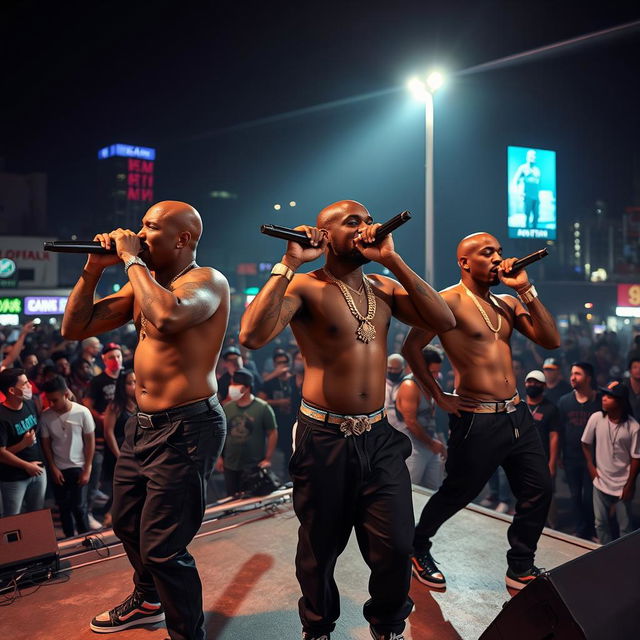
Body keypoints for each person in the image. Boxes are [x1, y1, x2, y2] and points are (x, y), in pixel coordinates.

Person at [239, 199, 455, 640]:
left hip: (378, 436)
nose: (366, 228)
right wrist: (288, 263)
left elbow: (444, 319)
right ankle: (318, 627)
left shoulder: (382, 286)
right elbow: (251, 335)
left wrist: (393, 258)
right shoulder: (304, 286)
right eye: (352, 222)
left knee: (396, 545)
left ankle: (388, 626)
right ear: (325, 234)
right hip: (324, 437)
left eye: (369, 221)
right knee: (320, 549)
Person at [61, 200, 229, 640]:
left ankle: (187, 634)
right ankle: (149, 599)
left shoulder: (207, 281)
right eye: (140, 226)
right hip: (143, 426)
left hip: (187, 427)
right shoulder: (144, 285)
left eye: (149, 228)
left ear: (183, 239)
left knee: (164, 548)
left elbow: (168, 315)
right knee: (125, 523)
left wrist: (132, 259)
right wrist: (94, 270)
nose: (136, 233)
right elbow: (74, 329)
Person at [403, 232, 560, 591]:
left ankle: (520, 566)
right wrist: (439, 395)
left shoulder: (508, 302)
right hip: (478, 418)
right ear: (464, 262)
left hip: (517, 414)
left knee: (539, 489)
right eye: (487, 252)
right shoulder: (447, 302)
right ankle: (417, 547)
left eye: (499, 252)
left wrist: (526, 289)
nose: (497, 258)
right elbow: (412, 347)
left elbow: (551, 340)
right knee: (458, 493)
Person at [581, 380, 640, 544]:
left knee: (625, 527)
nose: (604, 398)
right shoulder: (597, 418)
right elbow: (585, 443)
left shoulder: (633, 427)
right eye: (604, 394)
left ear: (620, 401)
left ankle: (625, 558)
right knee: (600, 523)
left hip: (622, 483)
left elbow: (636, 458)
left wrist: (630, 484)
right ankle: (605, 555)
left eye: (610, 396)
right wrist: (591, 466)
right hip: (601, 480)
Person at [39, 375, 95, 538]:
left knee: (79, 507)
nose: (51, 404)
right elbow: (46, 444)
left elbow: (90, 441)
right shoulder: (46, 415)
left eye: (55, 400)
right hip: (59, 467)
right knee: (63, 507)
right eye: (49, 400)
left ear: (66, 394)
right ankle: (69, 538)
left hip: (79, 465)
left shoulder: (82, 412)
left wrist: (88, 468)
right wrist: (53, 467)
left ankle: (86, 538)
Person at [556, 362, 601, 539]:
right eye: (572, 374)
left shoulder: (599, 401)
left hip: (594, 458)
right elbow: (558, 430)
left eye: (578, 374)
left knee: (589, 497)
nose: (573, 377)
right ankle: (580, 528)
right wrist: (559, 453)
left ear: (588, 378)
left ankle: (592, 528)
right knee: (575, 495)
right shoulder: (565, 401)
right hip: (571, 457)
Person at [217, 368, 277, 496]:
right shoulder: (227, 408)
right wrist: (219, 458)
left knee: (253, 500)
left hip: (254, 465)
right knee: (232, 500)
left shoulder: (263, 408)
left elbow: (272, 432)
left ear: (246, 387)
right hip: (231, 464)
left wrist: (268, 458)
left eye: (234, 384)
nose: (231, 387)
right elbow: (221, 434)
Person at [394, 346, 446, 489]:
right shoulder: (410, 386)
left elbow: (433, 418)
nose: (436, 376)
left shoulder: (433, 385)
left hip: (430, 444)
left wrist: (440, 443)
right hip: (412, 446)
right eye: (432, 372)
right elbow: (410, 422)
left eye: (438, 372)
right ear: (421, 368)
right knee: (409, 489)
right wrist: (432, 443)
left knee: (432, 490)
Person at [82, 341, 123, 517]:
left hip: (123, 435)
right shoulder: (98, 381)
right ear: (104, 359)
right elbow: (87, 405)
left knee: (121, 478)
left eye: (118, 356)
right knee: (97, 476)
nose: (116, 360)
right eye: (111, 357)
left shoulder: (127, 377)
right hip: (100, 437)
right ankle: (89, 513)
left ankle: (111, 511)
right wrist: (100, 418)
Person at [0, 368, 46, 515]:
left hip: (38, 470)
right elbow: (1, 454)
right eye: (25, 384)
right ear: (12, 390)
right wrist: (26, 463)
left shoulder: (29, 404)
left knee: (36, 515)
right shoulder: (2, 417)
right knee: (12, 519)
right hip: (14, 478)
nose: (29, 386)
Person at [524, 370, 561, 527]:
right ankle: (529, 521)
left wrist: (552, 462)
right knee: (525, 491)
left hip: (543, 457)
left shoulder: (550, 408)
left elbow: (554, 436)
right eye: (530, 382)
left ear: (544, 386)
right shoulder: (520, 406)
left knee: (547, 493)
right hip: (523, 458)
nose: (532, 385)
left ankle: (552, 525)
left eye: (536, 382)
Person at [258, 350, 297, 467]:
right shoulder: (271, 382)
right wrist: (280, 402)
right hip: (277, 420)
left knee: (292, 451)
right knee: (278, 452)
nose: (282, 365)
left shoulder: (294, 380)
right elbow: (260, 400)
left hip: (293, 420)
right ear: (274, 364)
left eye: (285, 362)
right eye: (279, 363)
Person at [511, 149, 541, 228]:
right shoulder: (523, 168)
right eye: (531, 155)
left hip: (536, 196)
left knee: (536, 215)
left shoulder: (537, 170)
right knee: (527, 214)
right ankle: (526, 228)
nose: (533, 157)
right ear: (527, 157)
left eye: (534, 155)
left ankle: (534, 230)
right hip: (527, 195)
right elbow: (515, 180)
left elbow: (538, 183)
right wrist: (519, 192)